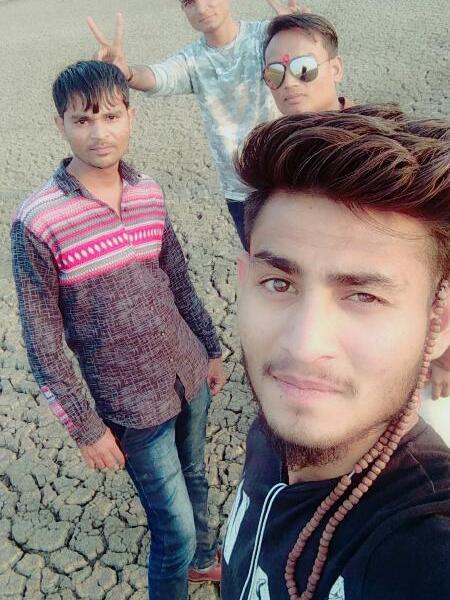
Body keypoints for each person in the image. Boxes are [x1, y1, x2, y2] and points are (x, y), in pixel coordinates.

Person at [11, 60, 226, 599]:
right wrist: (85, 427)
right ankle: (186, 564)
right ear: (61, 124)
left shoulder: (147, 191)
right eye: (82, 120)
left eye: (110, 116)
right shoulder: (39, 220)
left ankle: (206, 562)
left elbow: (178, 278)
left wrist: (210, 347)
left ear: (131, 115)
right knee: (172, 531)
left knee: (196, 475)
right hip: (130, 404)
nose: (99, 132)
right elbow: (42, 341)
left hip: (187, 373)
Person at [221, 109, 450, 599]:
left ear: (441, 321)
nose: (304, 347)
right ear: (244, 282)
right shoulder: (270, 433)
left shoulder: (425, 548)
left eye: (363, 296)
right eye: (278, 283)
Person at [86, 1, 305, 246]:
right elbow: (159, 77)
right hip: (240, 191)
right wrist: (126, 72)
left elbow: (308, 63)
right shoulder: (193, 60)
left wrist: (299, 30)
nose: (201, 8)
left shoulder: (266, 37)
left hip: (287, 178)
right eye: (190, 2)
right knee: (262, 262)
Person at [262, 13, 352, 116]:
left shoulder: (365, 125)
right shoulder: (269, 127)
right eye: (275, 74)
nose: (288, 83)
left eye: (303, 69)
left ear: (336, 69)